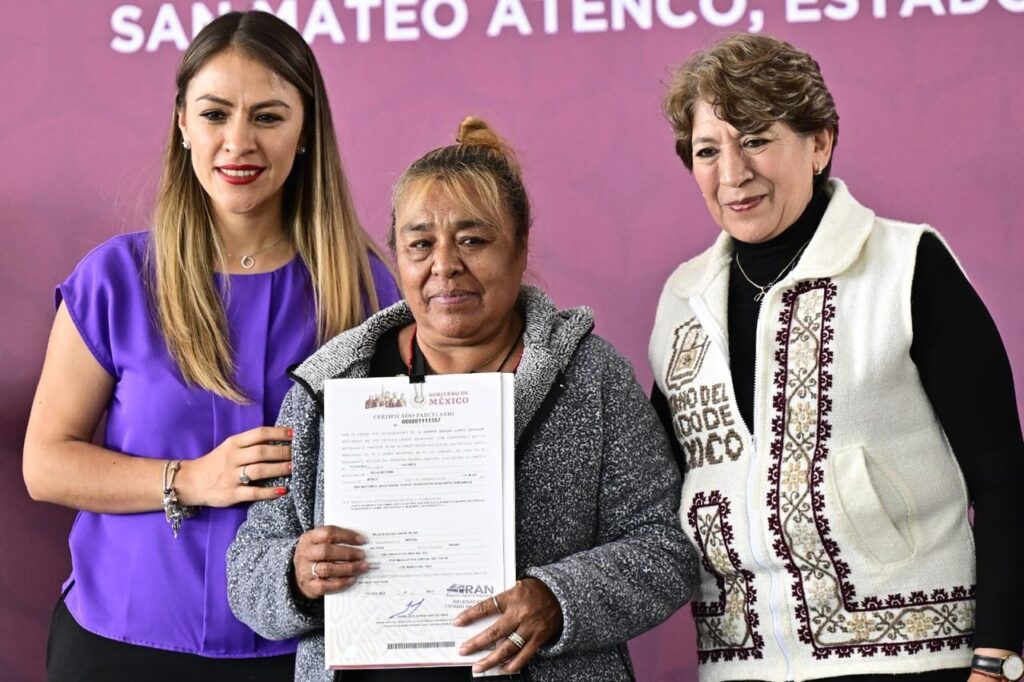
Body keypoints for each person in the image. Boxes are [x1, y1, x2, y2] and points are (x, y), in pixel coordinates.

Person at [227, 116, 699, 682]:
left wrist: (559, 599)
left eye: (473, 240)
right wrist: (296, 574)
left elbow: (665, 550)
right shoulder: (329, 388)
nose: (444, 265)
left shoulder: (592, 377)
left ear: (521, 247)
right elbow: (248, 568)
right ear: (397, 257)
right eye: (420, 244)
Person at [22, 11, 400, 681]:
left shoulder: (365, 286)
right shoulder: (115, 279)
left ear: (307, 127)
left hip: (301, 650)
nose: (237, 142)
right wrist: (189, 479)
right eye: (215, 113)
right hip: (119, 646)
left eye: (268, 116)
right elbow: (45, 464)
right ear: (182, 122)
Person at [648, 33, 1024, 682]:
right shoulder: (683, 301)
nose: (732, 172)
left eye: (757, 139)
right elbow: (653, 490)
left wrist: (996, 659)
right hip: (741, 669)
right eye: (708, 150)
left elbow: (1003, 481)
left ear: (819, 142)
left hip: (919, 665)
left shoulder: (908, 266)